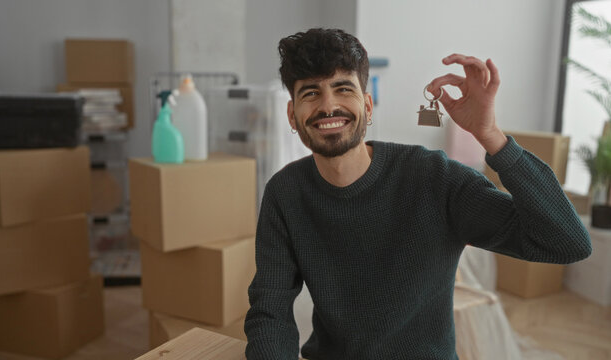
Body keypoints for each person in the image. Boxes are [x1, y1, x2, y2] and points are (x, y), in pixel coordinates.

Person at [244, 28, 592, 360]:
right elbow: (270, 311)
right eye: (310, 93)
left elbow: (566, 242)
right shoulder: (285, 193)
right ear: (293, 114)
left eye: (343, 89)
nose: (328, 105)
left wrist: (491, 136)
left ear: (368, 105)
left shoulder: (434, 179)